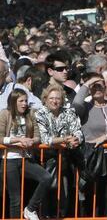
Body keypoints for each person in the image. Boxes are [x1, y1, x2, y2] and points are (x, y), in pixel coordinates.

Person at [72, 73, 107, 216]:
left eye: (100, 86)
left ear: (105, 87)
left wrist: (106, 137)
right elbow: (75, 103)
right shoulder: (85, 107)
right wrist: (88, 83)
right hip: (92, 156)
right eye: (94, 86)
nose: (97, 89)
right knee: (92, 194)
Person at [0, 89, 52, 220]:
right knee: (15, 198)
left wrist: (31, 141)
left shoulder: (30, 115)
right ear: (13, 102)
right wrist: (17, 140)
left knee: (46, 177)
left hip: (25, 158)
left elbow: (38, 137)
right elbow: (0, 138)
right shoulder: (5, 114)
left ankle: (30, 209)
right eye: (21, 101)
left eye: (26, 101)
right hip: (9, 159)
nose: (24, 104)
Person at [34, 84, 84, 217]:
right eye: (51, 98)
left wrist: (75, 139)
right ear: (45, 99)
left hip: (66, 160)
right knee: (48, 193)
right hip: (46, 160)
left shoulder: (69, 112)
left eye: (57, 98)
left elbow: (78, 131)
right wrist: (65, 140)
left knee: (64, 194)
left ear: (62, 100)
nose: (55, 101)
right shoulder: (40, 113)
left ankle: (60, 215)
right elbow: (45, 139)